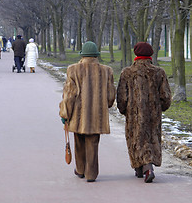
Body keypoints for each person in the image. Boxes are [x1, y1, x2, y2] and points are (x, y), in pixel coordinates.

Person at [59, 41, 116, 182]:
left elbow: (69, 95)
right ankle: (91, 173)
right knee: (93, 143)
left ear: (82, 55)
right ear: (96, 55)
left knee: (79, 142)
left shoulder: (73, 70)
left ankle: (80, 169)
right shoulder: (106, 70)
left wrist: (65, 113)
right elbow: (110, 96)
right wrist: (104, 105)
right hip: (97, 115)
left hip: (78, 115)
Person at [116, 42, 171, 183]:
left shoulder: (127, 72)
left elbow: (122, 96)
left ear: (136, 54)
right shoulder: (159, 72)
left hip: (134, 113)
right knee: (151, 138)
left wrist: (124, 110)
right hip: (153, 114)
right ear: (151, 54)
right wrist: (160, 108)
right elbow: (165, 96)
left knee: (136, 139)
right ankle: (143, 168)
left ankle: (145, 167)